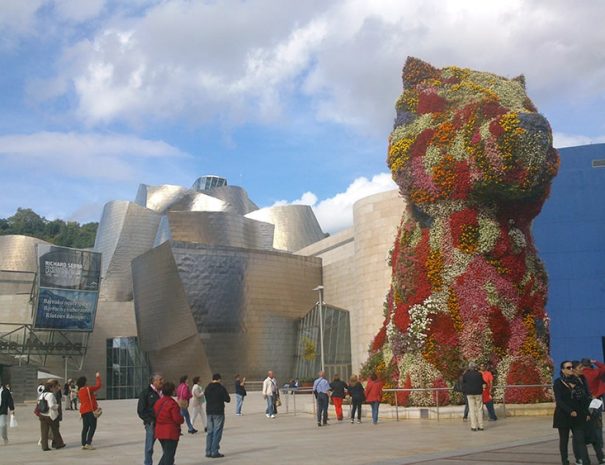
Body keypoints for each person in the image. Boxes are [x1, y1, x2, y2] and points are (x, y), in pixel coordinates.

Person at [553, 360, 591, 465]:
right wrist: (570, 411)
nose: (570, 369)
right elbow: (559, 400)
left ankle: (585, 461)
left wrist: (587, 412)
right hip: (563, 415)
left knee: (580, 439)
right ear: (563, 370)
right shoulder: (558, 382)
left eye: (571, 367)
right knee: (564, 440)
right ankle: (565, 461)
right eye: (568, 368)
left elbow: (582, 399)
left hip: (578, 415)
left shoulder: (577, 381)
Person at [154, 382, 184, 465]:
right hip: (170, 432)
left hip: (159, 431)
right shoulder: (172, 403)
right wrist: (182, 418)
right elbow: (177, 419)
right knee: (169, 456)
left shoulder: (158, 402)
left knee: (166, 453)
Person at [582, 358, 605, 465]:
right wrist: (595, 362)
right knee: (597, 424)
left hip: (584, 402)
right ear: (590, 364)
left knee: (584, 424)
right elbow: (603, 367)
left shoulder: (580, 375)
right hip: (596, 400)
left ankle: (584, 443)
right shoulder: (595, 372)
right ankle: (599, 445)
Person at [137, 373, 163, 465]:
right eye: (160, 379)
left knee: (167, 447)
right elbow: (141, 410)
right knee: (149, 447)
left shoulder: (163, 392)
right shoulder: (145, 393)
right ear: (154, 381)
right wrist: (149, 421)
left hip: (163, 424)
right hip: (152, 424)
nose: (162, 381)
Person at [204, 373, 230, 458]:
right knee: (217, 431)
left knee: (210, 432)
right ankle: (214, 451)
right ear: (219, 379)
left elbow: (206, 396)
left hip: (209, 411)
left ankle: (208, 451)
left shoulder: (207, 388)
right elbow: (227, 399)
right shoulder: (221, 388)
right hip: (218, 412)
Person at [77, 372, 102, 450]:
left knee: (85, 427)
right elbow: (98, 386)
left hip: (83, 411)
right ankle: (88, 443)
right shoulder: (88, 389)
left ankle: (83, 443)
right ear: (84, 382)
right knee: (93, 426)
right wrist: (98, 377)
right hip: (90, 410)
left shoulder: (79, 391)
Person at [38, 381, 65, 451]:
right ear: (50, 388)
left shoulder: (42, 395)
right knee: (55, 430)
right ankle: (58, 444)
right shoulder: (50, 395)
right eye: (52, 387)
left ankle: (44, 446)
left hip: (42, 415)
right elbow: (51, 405)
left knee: (44, 432)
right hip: (50, 415)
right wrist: (57, 406)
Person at [462, 362, 485, 432]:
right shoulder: (479, 374)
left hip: (469, 394)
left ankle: (473, 426)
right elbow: (483, 382)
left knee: (471, 410)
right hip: (478, 393)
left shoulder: (465, 375)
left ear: (469, 367)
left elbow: (463, 382)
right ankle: (481, 426)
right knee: (479, 409)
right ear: (475, 367)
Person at [50, 379, 64, 448]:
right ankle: (56, 443)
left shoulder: (51, 391)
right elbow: (57, 403)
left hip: (53, 412)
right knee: (55, 428)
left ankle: (57, 442)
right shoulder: (55, 392)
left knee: (54, 428)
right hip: (56, 412)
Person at [0, 381, 15, 446]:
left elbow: (10, 400)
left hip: (2, 410)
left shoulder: (5, 391)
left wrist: (12, 409)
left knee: (2, 425)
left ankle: (5, 437)